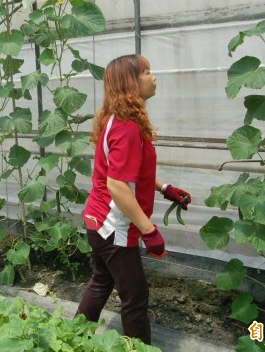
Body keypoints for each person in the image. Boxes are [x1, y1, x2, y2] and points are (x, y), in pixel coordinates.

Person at [76, 54, 191, 344]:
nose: (153, 77)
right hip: (113, 227)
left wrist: (165, 188)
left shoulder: (117, 120)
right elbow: (117, 185)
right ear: (130, 82)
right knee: (135, 297)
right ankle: (138, 349)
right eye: (146, 72)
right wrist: (149, 230)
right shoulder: (127, 127)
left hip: (97, 219)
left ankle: (73, 336)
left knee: (101, 281)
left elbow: (128, 173)